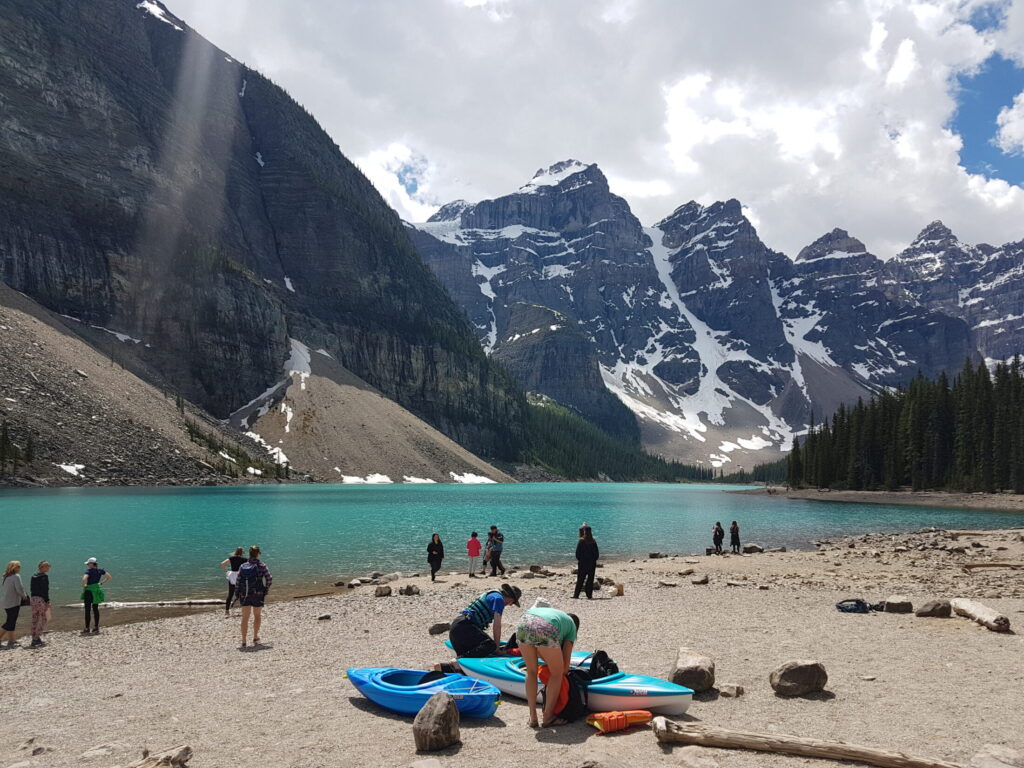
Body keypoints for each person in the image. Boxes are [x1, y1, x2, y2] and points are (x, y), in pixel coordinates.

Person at [515, 606, 579, 728]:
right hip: (544, 627)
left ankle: (533, 716)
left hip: (523, 622)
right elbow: (564, 669)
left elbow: (539, 650)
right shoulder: (571, 627)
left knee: (531, 671)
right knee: (557, 674)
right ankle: (548, 717)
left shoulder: (558, 618)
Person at [447, 583, 521, 657]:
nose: (510, 605)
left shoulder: (493, 594)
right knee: (490, 645)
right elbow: (497, 626)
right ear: (511, 599)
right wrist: (497, 649)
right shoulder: (499, 600)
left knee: (484, 645)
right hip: (464, 628)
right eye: (513, 602)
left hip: (457, 626)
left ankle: (460, 659)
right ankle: (459, 660)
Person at [237, 545, 272, 648]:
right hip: (258, 594)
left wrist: (237, 593)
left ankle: (244, 640)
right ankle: (255, 636)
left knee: (245, 617)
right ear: (258, 554)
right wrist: (266, 589)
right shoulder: (262, 565)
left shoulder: (243, 566)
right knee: (257, 615)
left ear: (249, 554)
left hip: (245, 594)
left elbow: (238, 581)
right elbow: (269, 578)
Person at [81, 557, 110, 634]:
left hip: (89, 591)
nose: (87, 565)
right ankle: (96, 627)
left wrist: (84, 585)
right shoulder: (100, 571)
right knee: (95, 609)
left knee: (87, 610)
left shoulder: (88, 571)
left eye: (88, 564)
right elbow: (109, 577)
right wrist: (101, 583)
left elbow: (84, 579)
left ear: (91, 564)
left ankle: (87, 628)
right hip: (96, 591)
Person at [1, 561, 27, 648]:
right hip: (13, 602)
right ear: (13, 568)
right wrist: (24, 596)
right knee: (10, 622)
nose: (20, 568)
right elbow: (19, 588)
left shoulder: (5, 576)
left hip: (6, 602)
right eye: (18, 566)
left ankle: (11, 640)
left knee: (11, 621)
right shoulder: (16, 576)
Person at [573, 524, 599, 599]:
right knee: (590, 580)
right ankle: (589, 595)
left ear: (584, 532)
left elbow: (577, 553)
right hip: (592, 563)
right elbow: (596, 554)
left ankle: (576, 595)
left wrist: (580, 560)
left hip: (582, 563)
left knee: (580, 579)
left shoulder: (581, 541)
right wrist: (594, 560)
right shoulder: (593, 541)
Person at [30, 561, 51, 647]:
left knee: (34, 618)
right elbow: (45, 590)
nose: (49, 568)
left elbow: (32, 589)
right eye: (48, 566)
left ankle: (34, 637)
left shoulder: (33, 576)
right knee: (44, 618)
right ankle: (36, 638)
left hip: (33, 599)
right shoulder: (44, 577)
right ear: (42, 567)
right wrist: (47, 601)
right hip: (41, 600)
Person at [220, 547, 247, 615]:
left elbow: (222, 564)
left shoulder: (231, 558)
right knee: (242, 594)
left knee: (230, 594)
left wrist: (226, 571)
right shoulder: (244, 559)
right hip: (240, 576)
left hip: (232, 576)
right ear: (242, 553)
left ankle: (227, 611)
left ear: (236, 552)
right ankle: (244, 610)